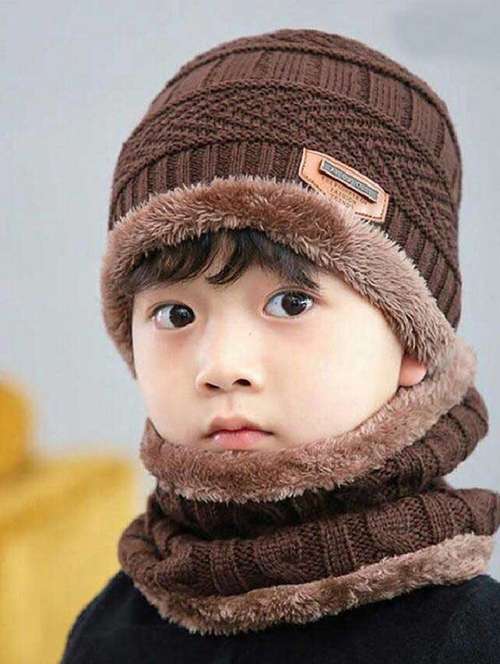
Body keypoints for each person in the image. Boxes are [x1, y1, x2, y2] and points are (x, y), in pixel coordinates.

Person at [60, 27, 500, 663]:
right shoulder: (110, 633)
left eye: (291, 303)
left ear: (413, 339)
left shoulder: (467, 638)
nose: (222, 367)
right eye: (176, 314)